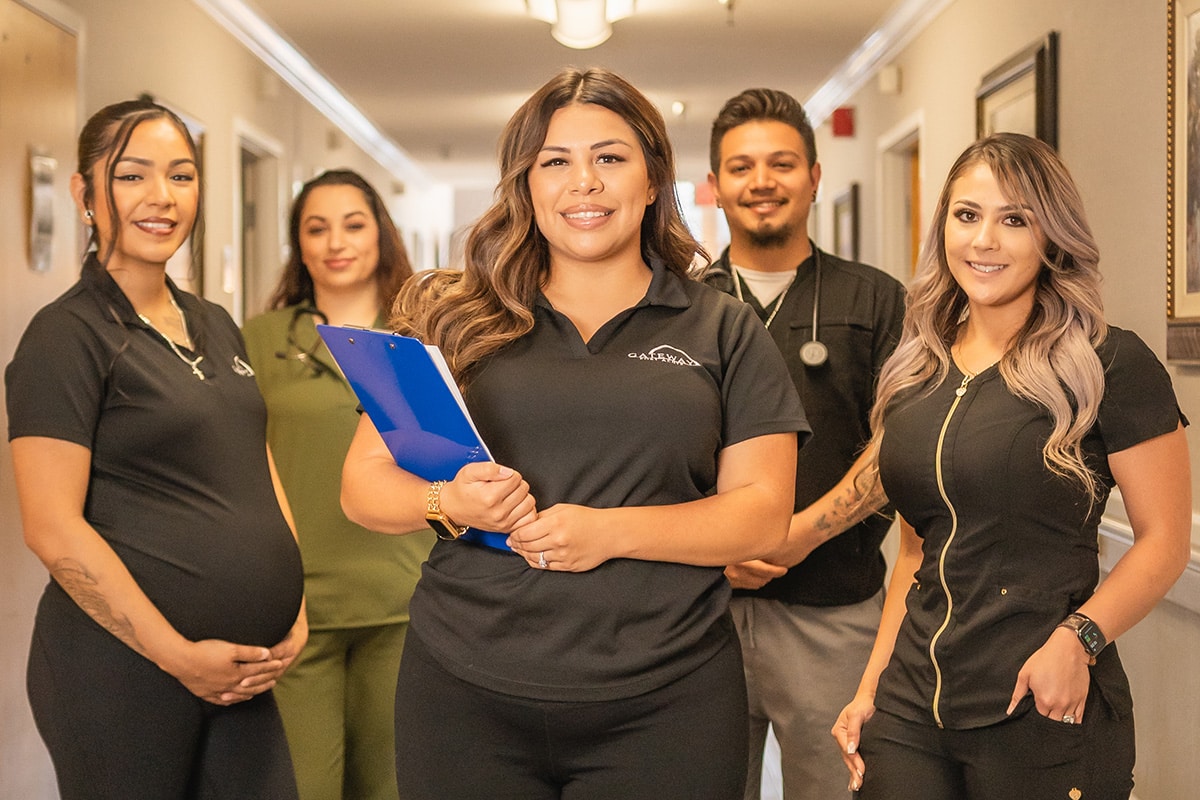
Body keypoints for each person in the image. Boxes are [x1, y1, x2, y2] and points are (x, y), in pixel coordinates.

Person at [339, 67, 809, 800]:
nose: (583, 183)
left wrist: (609, 533)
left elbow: (762, 512)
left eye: (610, 158)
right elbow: (363, 486)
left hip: (668, 698)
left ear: (653, 180)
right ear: (526, 185)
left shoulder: (722, 326)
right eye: (555, 162)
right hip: (463, 691)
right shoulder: (455, 318)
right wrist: (449, 501)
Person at [829, 132, 1192, 799]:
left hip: (1039, 701)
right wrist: (870, 687)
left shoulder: (1109, 363)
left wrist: (1077, 640)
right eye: (967, 216)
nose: (984, 240)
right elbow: (914, 552)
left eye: (1014, 219)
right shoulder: (916, 372)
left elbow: (1166, 541)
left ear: (1051, 236)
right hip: (911, 707)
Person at [5, 99, 307, 799]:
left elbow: (254, 467)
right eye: (132, 176)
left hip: (244, 672)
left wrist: (296, 609)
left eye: (181, 176)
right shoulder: (66, 337)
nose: (161, 198)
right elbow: (51, 528)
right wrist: (176, 655)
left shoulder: (216, 324)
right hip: (120, 675)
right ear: (85, 194)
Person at [703, 88, 905, 800]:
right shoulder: (679, 303)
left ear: (815, 176)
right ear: (714, 187)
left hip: (834, 613)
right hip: (698, 614)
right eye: (741, 167)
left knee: (838, 789)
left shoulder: (877, 301)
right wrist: (721, 543)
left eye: (782, 163)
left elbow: (899, 445)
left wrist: (793, 535)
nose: (762, 182)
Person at [242, 169, 435, 800]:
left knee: (394, 787)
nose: (335, 242)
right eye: (315, 228)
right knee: (306, 787)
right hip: (297, 607)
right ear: (297, 244)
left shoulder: (420, 335)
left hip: (405, 597)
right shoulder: (261, 338)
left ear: (382, 231)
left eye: (353, 224)